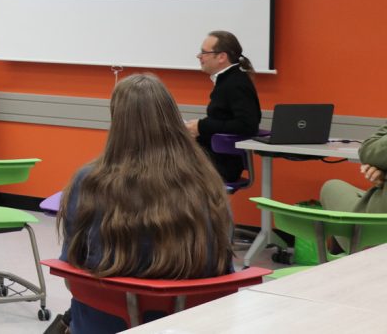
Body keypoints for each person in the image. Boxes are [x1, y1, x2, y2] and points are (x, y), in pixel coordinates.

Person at [58, 73, 233, 334]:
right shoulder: (207, 181)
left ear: (117, 122)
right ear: (172, 117)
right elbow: (223, 267)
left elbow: (72, 271)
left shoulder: (88, 181)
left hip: (104, 323)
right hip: (193, 322)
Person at [185, 30, 261, 183]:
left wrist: (202, 126)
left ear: (221, 57)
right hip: (212, 158)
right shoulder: (228, 81)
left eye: (204, 52)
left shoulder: (236, 83)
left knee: (159, 169)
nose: (199, 57)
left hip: (221, 164)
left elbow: (247, 125)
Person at [320, 122, 387, 248]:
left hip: (377, 233)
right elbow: (368, 150)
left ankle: (352, 258)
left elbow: (367, 152)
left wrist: (380, 165)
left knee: (331, 187)